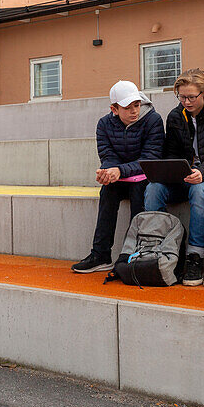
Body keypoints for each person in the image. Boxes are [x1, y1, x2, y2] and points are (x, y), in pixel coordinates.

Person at [143, 68, 204, 286]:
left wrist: (202, 173)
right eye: (182, 97)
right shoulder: (175, 116)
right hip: (183, 175)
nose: (187, 102)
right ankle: (157, 249)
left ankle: (195, 256)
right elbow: (171, 152)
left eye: (192, 97)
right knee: (153, 188)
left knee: (199, 190)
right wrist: (172, 170)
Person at [71, 80, 164, 273]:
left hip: (145, 176)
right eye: (127, 107)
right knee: (107, 191)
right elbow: (107, 155)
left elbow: (150, 158)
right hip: (120, 177)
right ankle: (101, 254)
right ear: (114, 108)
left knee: (140, 191)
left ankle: (131, 253)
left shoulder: (153, 120)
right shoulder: (104, 124)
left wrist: (119, 170)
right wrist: (106, 172)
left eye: (137, 105)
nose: (134, 111)